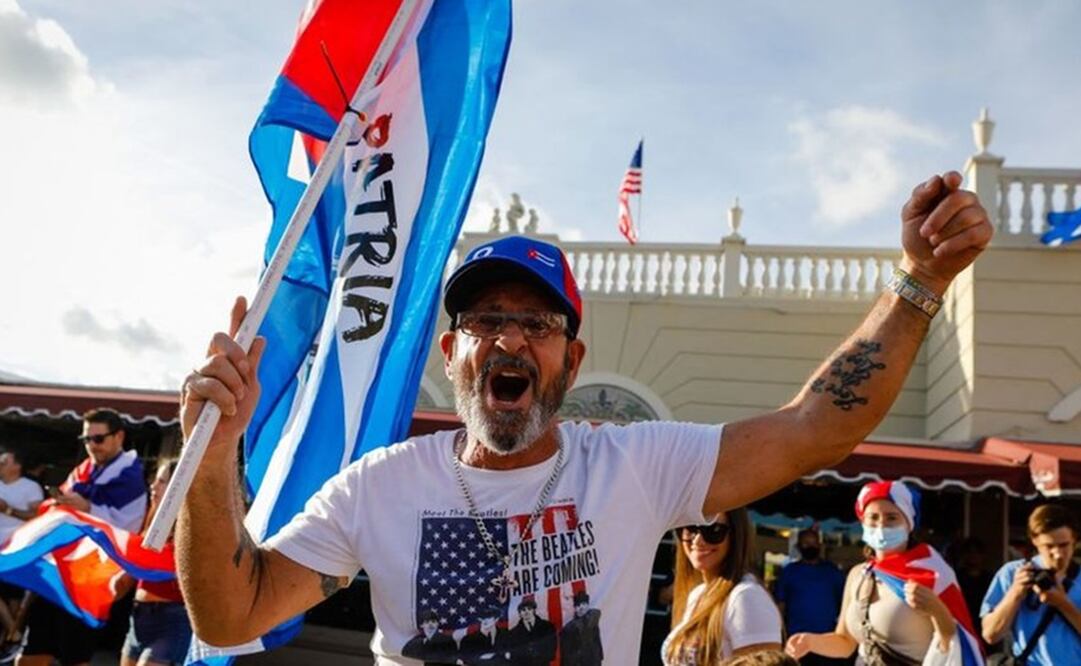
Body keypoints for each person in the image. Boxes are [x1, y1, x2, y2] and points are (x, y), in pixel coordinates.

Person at [176, 171, 992, 663]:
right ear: (449, 354)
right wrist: (213, 457)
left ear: (571, 360)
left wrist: (918, 281)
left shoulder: (637, 467)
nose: (510, 339)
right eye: (487, 321)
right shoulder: (377, 490)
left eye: (538, 325)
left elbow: (817, 425)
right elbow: (230, 610)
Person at [785, 481, 983, 666]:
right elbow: (845, 643)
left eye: (892, 517)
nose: (881, 525)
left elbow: (953, 643)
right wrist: (810, 641)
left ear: (908, 523)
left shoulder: (932, 570)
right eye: (873, 517)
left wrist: (938, 610)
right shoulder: (858, 575)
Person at [18, 408, 148, 666]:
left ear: (119, 436)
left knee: (75, 654)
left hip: (91, 577)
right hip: (58, 572)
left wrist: (87, 508)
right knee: (33, 650)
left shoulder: (130, 478)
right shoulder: (83, 470)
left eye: (98, 439)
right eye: (87, 439)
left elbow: (127, 531)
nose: (92, 446)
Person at [663, 507, 783, 664]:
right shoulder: (697, 594)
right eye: (690, 528)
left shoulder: (746, 597)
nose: (698, 540)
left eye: (714, 530)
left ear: (736, 536)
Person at [980, 504, 1081, 665]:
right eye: (1049, 546)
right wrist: (1015, 593)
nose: (1057, 554)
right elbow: (990, 635)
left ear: (1074, 541)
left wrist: (1063, 604)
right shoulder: (1012, 573)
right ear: (1035, 541)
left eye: (1064, 545)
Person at [118, 460, 193, 666]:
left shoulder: (191, 529)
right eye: (155, 480)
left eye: (162, 481)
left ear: (179, 486)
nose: (153, 485)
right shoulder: (150, 524)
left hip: (172, 619)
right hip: (139, 617)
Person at [774, 528, 846, 664]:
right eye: (806, 543)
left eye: (814, 543)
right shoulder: (789, 572)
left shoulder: (832, 572)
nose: (810, 547)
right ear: (798, 546)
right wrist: (780, 635)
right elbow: (781, 604)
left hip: (828, 641)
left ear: (819, 545)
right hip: (796, 641)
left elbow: (844, 604)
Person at [0, 448, 44, 653]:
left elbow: (38, 516)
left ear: (17, 465)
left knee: (13, 597)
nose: (0, 464)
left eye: (4, 461)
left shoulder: (31, 487)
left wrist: (8, 510)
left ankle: (10, 640)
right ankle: (12, 634)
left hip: (18, 547)